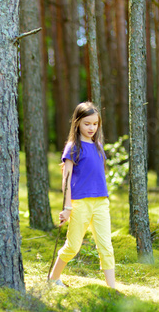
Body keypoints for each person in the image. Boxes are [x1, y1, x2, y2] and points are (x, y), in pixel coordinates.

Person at [48, 101, 116, 289]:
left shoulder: (99, 147)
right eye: (87, 123)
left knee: (106, 247)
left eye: (95, 124)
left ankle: (112, 289)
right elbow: (66, 179)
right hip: (79, 204)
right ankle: (54, 278)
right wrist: (67, 207)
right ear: (77, 123)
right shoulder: (73, 147)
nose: (91, 128)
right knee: (73, 246)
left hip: (101, 203)